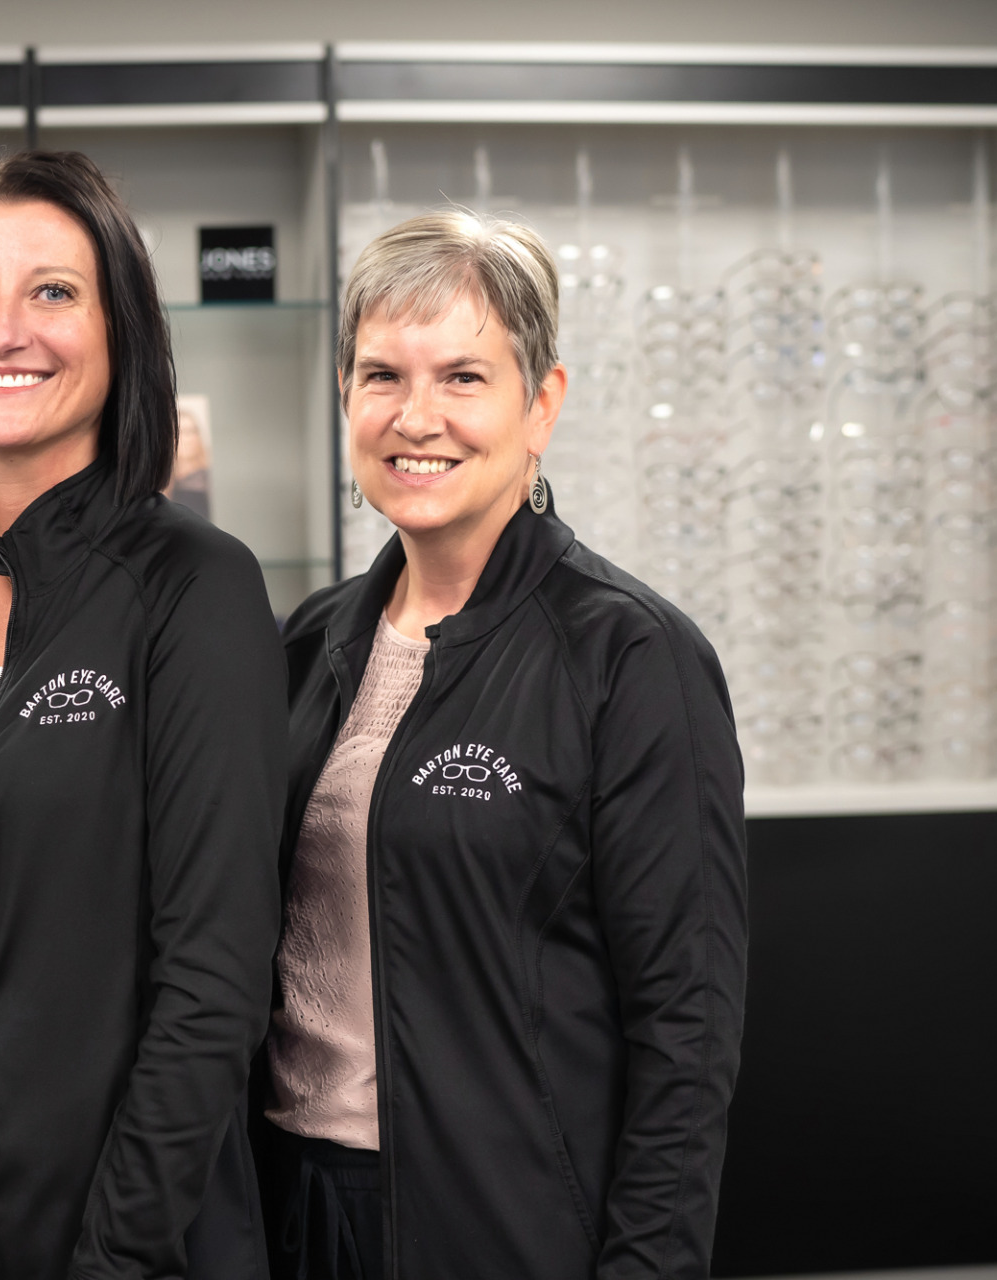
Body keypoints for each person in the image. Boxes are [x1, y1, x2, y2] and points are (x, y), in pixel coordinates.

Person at [262, 210, 748, 1280]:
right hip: (291, 1212)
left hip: (505, 1226)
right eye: (381, 373)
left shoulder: (632, 655)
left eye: (464, 376)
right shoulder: (306, 646)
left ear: (541, 405)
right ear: (345, 396)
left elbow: (688, 1030)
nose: (416, 414)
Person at [0, 150, 287, 1280]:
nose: (3, 329)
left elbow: (215, 976)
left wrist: (119, 1250)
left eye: (53, 290)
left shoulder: (195, 586)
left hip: (101, 1187)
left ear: (119, 327)